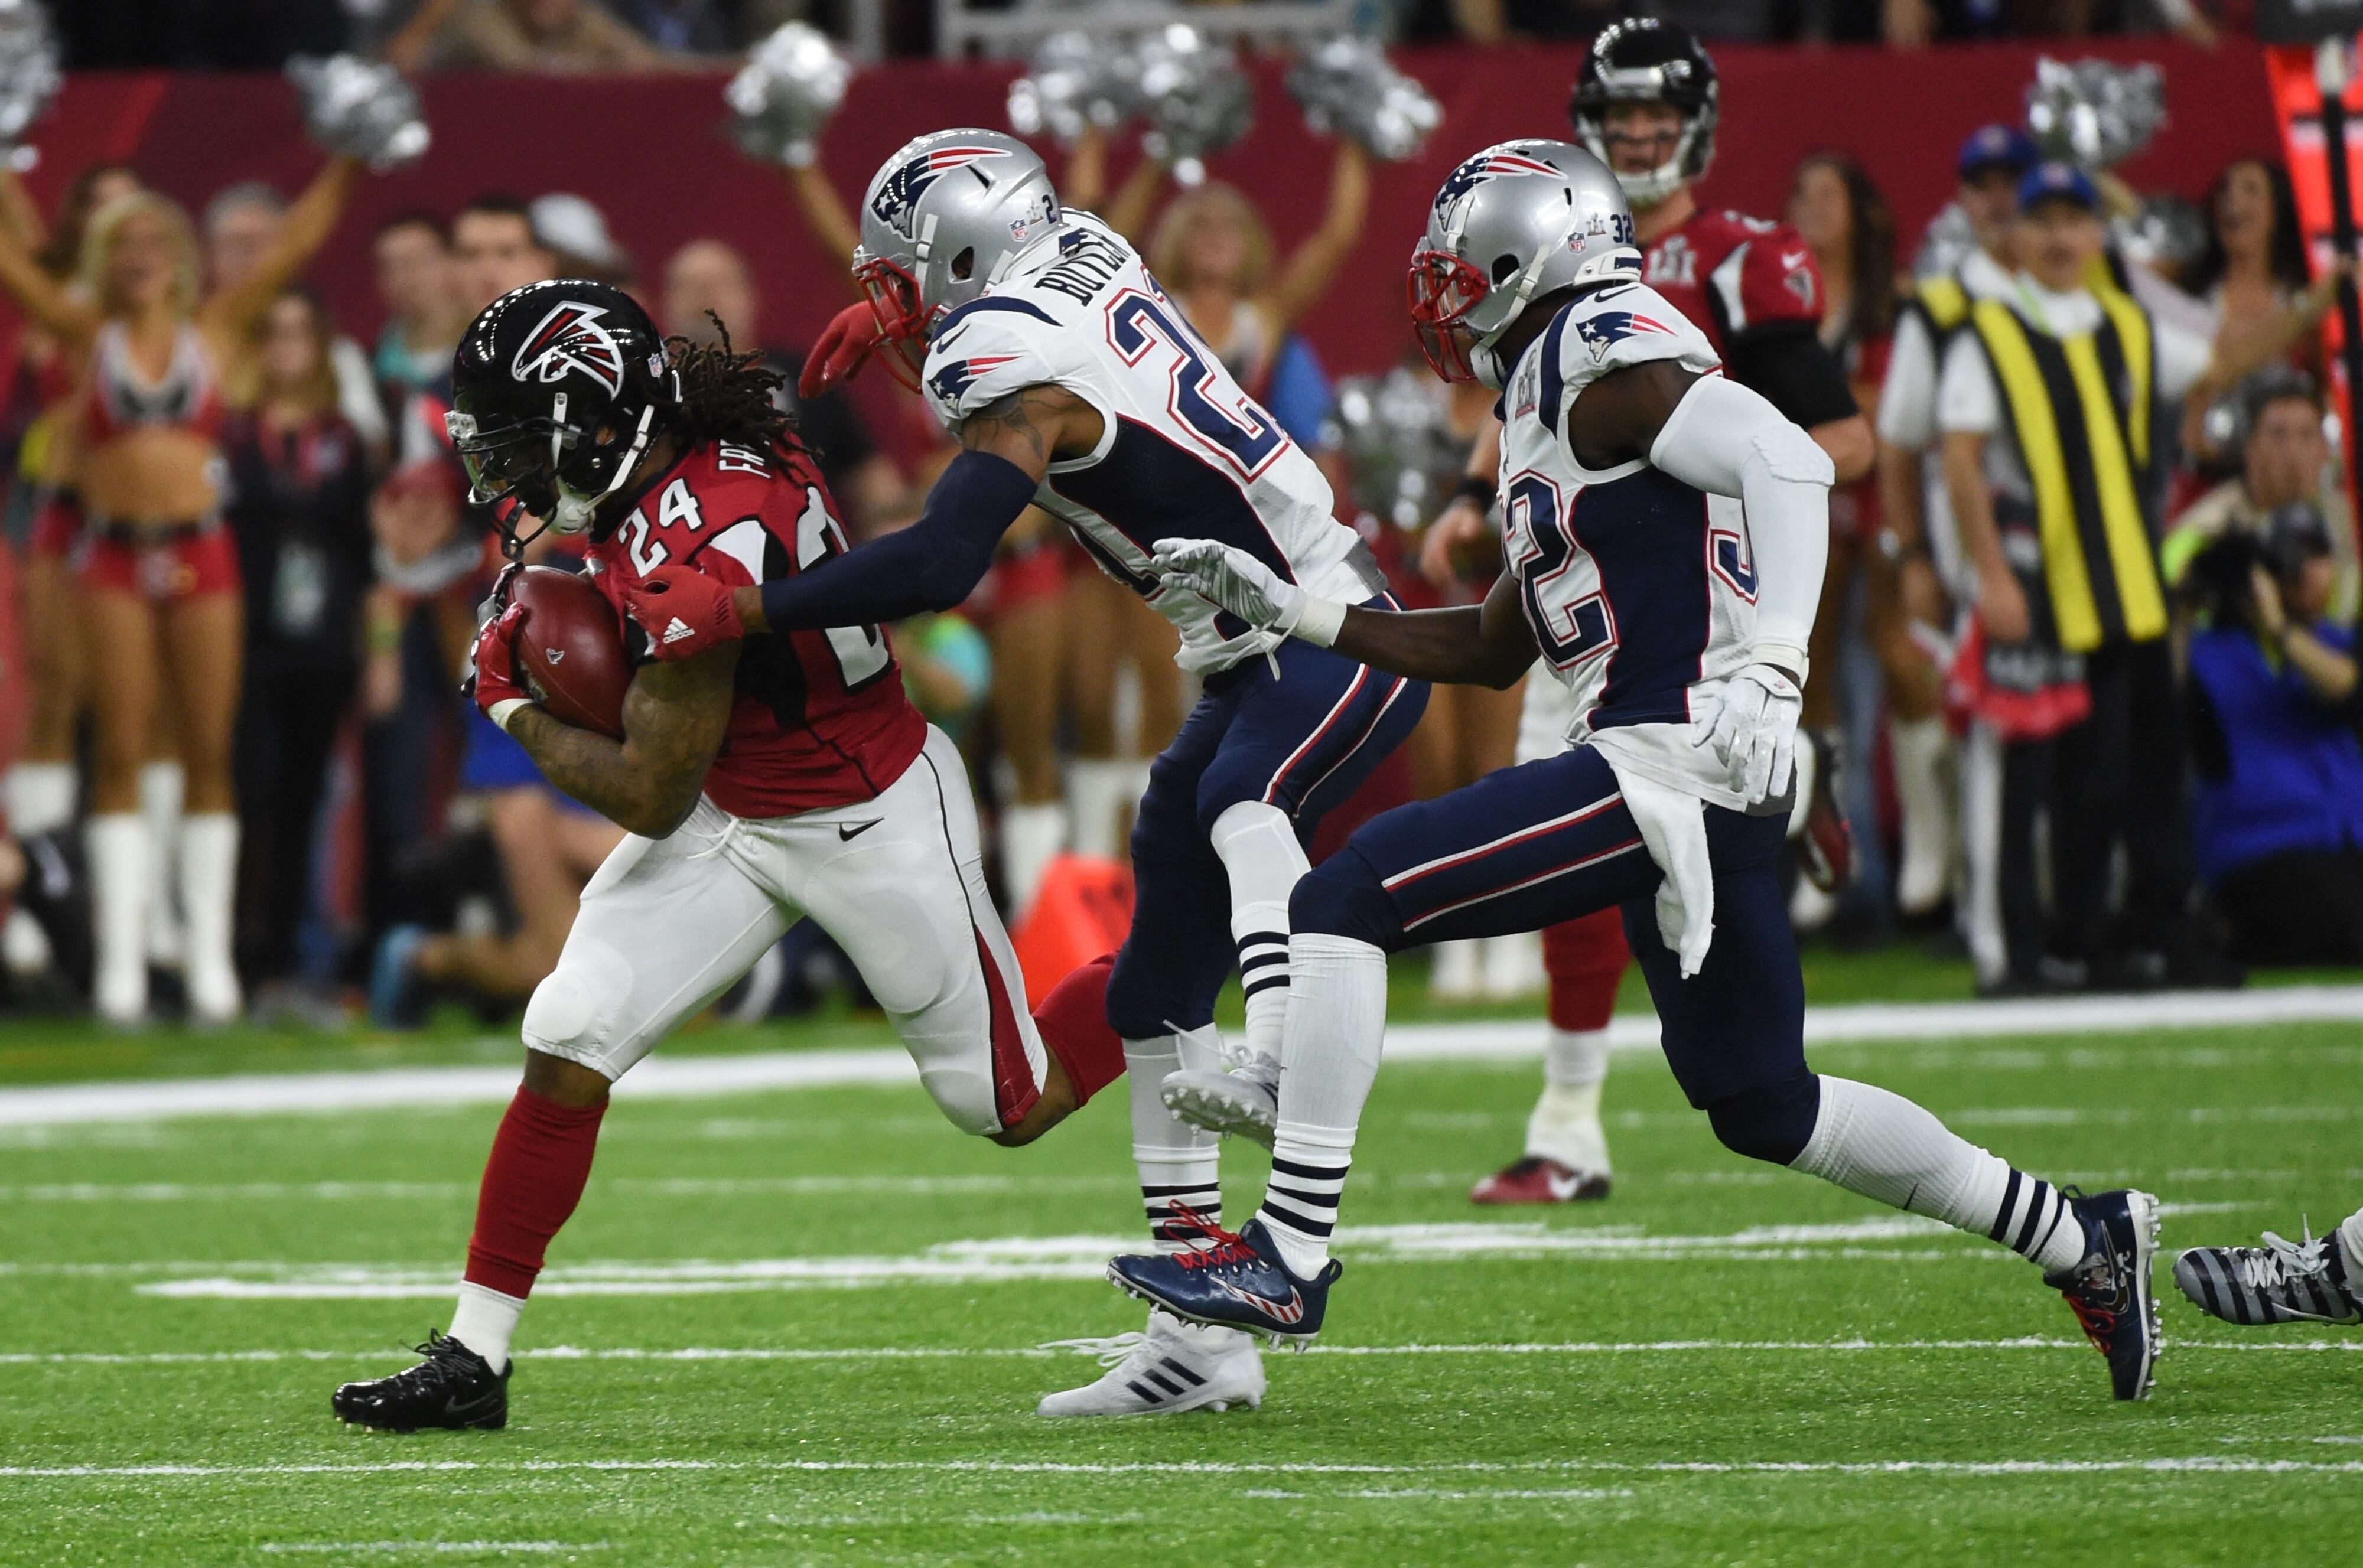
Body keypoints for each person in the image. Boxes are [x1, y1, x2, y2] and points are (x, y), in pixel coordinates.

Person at [1121, 139, 2163, 1408]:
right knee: (1761, 1102)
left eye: (1462, 272)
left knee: (1341, 896)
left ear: (1528, 255)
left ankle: (1286, 1251)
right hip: (1684, 775)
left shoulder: (1593, 345)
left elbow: (1791, 460)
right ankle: (2081, 1237)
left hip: (1667, 758)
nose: (1445, 301)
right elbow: (1495, 641)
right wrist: (1296, 613)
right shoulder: (1550, 391)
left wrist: (1775, 673)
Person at [618, 131, 1426, 1416]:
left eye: (902, 272)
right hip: (1251, 648)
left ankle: (1277, 1058)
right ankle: (1197, 1336)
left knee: (1237, 804)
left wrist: (745, 608)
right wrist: (905, 344)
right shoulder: (1080, 256)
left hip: (1324, 632)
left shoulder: (996, 357)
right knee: (1156, 966)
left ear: (960, 253)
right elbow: (1074, 416)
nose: (892, 295)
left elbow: (944, 560)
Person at [330, 281, 1134, 1433]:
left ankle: (1161, 966)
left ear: (592, 421)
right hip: (733, 801)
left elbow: (650, 793)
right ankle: (473, 1353)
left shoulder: (696, 534)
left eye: (515, 434)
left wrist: (510, 704)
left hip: (862, 812)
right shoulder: (691, 442)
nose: (501, 466)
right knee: (566, 1034)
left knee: (1006, 1102)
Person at [1431, 20, 1873, 1207]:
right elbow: (1531, 399)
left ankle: (1570, 1121)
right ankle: (1567, 1119)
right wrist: (1480, 498)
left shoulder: (1742, 260)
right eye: (1616, 121)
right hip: (1581, 581)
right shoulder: (1560, 268)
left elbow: (1833, 440)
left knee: (1612, 843)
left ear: (1697, 131)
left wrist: (1697, 445)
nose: (1635, 139)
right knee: (1584, 839)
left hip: (1685, 599)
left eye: (1653, 121)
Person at [0, 157, 363, 1023]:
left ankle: (208, 968)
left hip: (205, 555)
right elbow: (12, 264)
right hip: (114, 555)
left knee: (207, 748)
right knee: (120, 745)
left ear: (182, 253)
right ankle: (123, 970)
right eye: (123, 240)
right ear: (100, 255)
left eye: (157, 238)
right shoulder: (86, 331)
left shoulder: (218, 326)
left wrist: (348, 156)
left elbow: (298, 242)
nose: (141, 252)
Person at [1939, 164, 2235, 992]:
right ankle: (2029, 948)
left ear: (2101, 236)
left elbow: (2221, 351)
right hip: (2034, 594)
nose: (2064, 237)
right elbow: (1959, 461)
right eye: (2048, 222)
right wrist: (1990, 577)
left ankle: (2107, 936)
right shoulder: (1988, 330)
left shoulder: (2127, 324)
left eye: (2080, 220)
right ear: (2018, 237)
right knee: (2030, 785)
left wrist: (2321, 308)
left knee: (2118, 777)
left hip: (2125, 588)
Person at [1877, 123, 2037, 957]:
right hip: (1979, 551)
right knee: (1996, 736)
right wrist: (1911, 556)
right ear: (1964, 198)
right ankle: (1994, 925)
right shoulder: (1940, 308)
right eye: (1987, 183)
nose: (2004, 198)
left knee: (2075, 742)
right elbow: (1899, 441)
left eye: (2019, 179)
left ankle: (2067, 915)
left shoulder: (2082, 292)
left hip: (2079, 554)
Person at [224, 288, 375, 1003]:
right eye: (273, 333)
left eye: (300, 333)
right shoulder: (230, 436)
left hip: (322, 648)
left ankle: (282, 963)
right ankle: (229, 956)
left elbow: (368, 559)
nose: (286, 347)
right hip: (243, 645)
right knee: (245, 797)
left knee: (302, 802)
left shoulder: (343, 440)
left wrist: (374, 652)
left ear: (321, 347)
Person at [1785, 151, 1918, 935]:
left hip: (1879, 522)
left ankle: (1907, 867)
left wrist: (1815, 416)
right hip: (1803, 525)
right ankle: (1838, 859)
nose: (1810, 206)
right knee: (1815, 695)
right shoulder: (1785, 306)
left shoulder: (1888, 307)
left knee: (1888, 683)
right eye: (1801, 192)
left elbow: (1891, 408)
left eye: (1826, 192)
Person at [2180, 507, 2363, 963]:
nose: (2303, 571)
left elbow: (2350, 694)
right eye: (2290, 558)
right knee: (2345, 926)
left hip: (2345, 837)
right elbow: (2171, 697)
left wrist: (2282, 630)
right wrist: (2192, 598)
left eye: (2316, 556)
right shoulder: (2211, 656)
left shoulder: (2337, 647)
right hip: (2263, 845)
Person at [658, 238, 905, 534]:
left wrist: (895, 528)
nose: (705, 297)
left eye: (719, 283)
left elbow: (867, 473)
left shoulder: (800, 375)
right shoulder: (655, 395)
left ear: (751, 295)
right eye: (689, 286)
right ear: (665, 302)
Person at [2165, 370, 2357, 622]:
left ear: (2324, 450)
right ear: (2249, 447)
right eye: (2278, 435)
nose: (2294, 453)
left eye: (2307, 434)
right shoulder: (2206, 531)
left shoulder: (2348, 523)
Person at [371, 212, 466, 396]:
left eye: (418, 261)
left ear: (453, 261)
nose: (406, 277)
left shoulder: (488, 342)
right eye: (390, 267)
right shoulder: (375, 368)